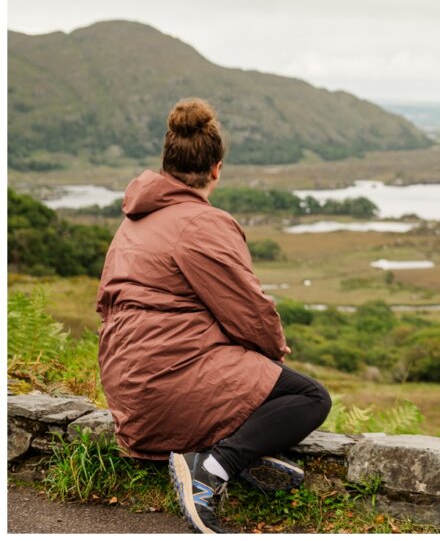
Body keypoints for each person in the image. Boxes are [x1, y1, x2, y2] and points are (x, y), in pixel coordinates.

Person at [96, 98, 332, 534]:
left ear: (166, 165)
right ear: (216, 169)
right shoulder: (202, 224)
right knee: (308, 397)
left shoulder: (134, 220)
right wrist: (273, 355)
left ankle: (233, 458)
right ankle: (213, 469)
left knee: (255, 378)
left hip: (127, 389)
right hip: (166, 382)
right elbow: (251, 314)